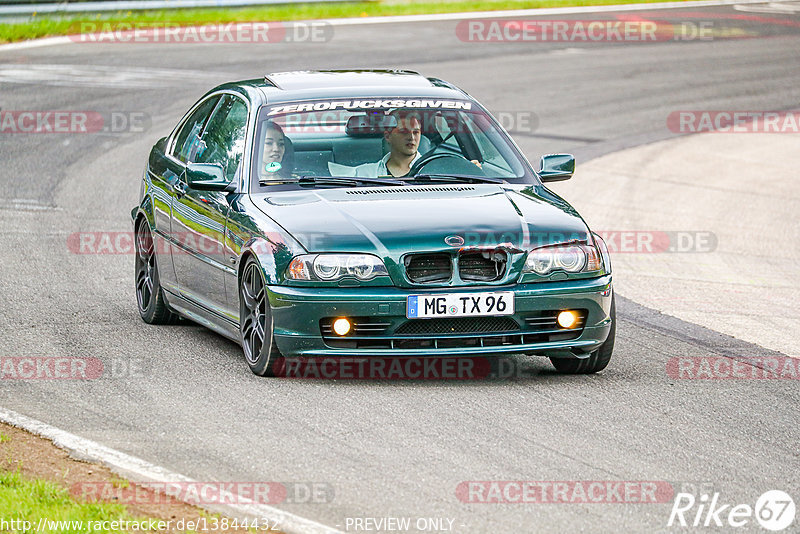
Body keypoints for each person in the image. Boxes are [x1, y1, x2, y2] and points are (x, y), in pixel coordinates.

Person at [354, 110, 422, 178]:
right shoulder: (364, 174)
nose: (411, 137)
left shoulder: (430, 170)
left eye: (416, 132)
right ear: (387, 136)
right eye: (404, 132)